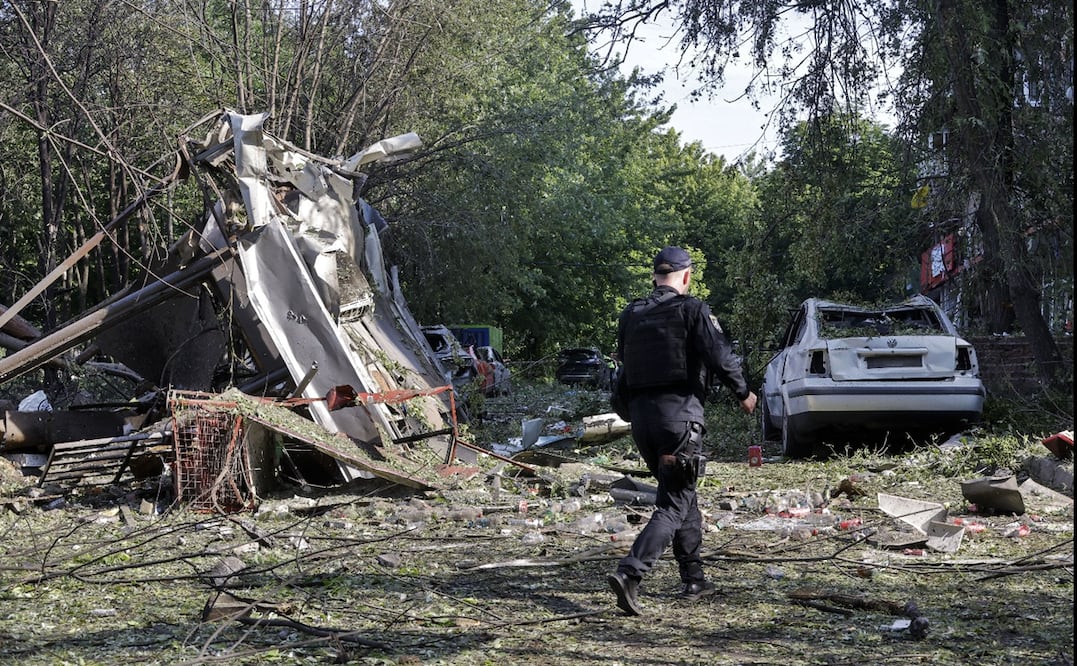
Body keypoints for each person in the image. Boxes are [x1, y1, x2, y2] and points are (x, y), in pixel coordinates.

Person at [607, 245, 757, 616]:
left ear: (654, 277)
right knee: (673, 503)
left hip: (642, 422)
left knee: (683, 496)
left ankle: (694, 579)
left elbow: (623, 370)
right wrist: (744, 393)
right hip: (679, 420)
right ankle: (630, 573)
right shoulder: (692, 310)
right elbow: (720, 355)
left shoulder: (631, 315)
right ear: (687, 276)